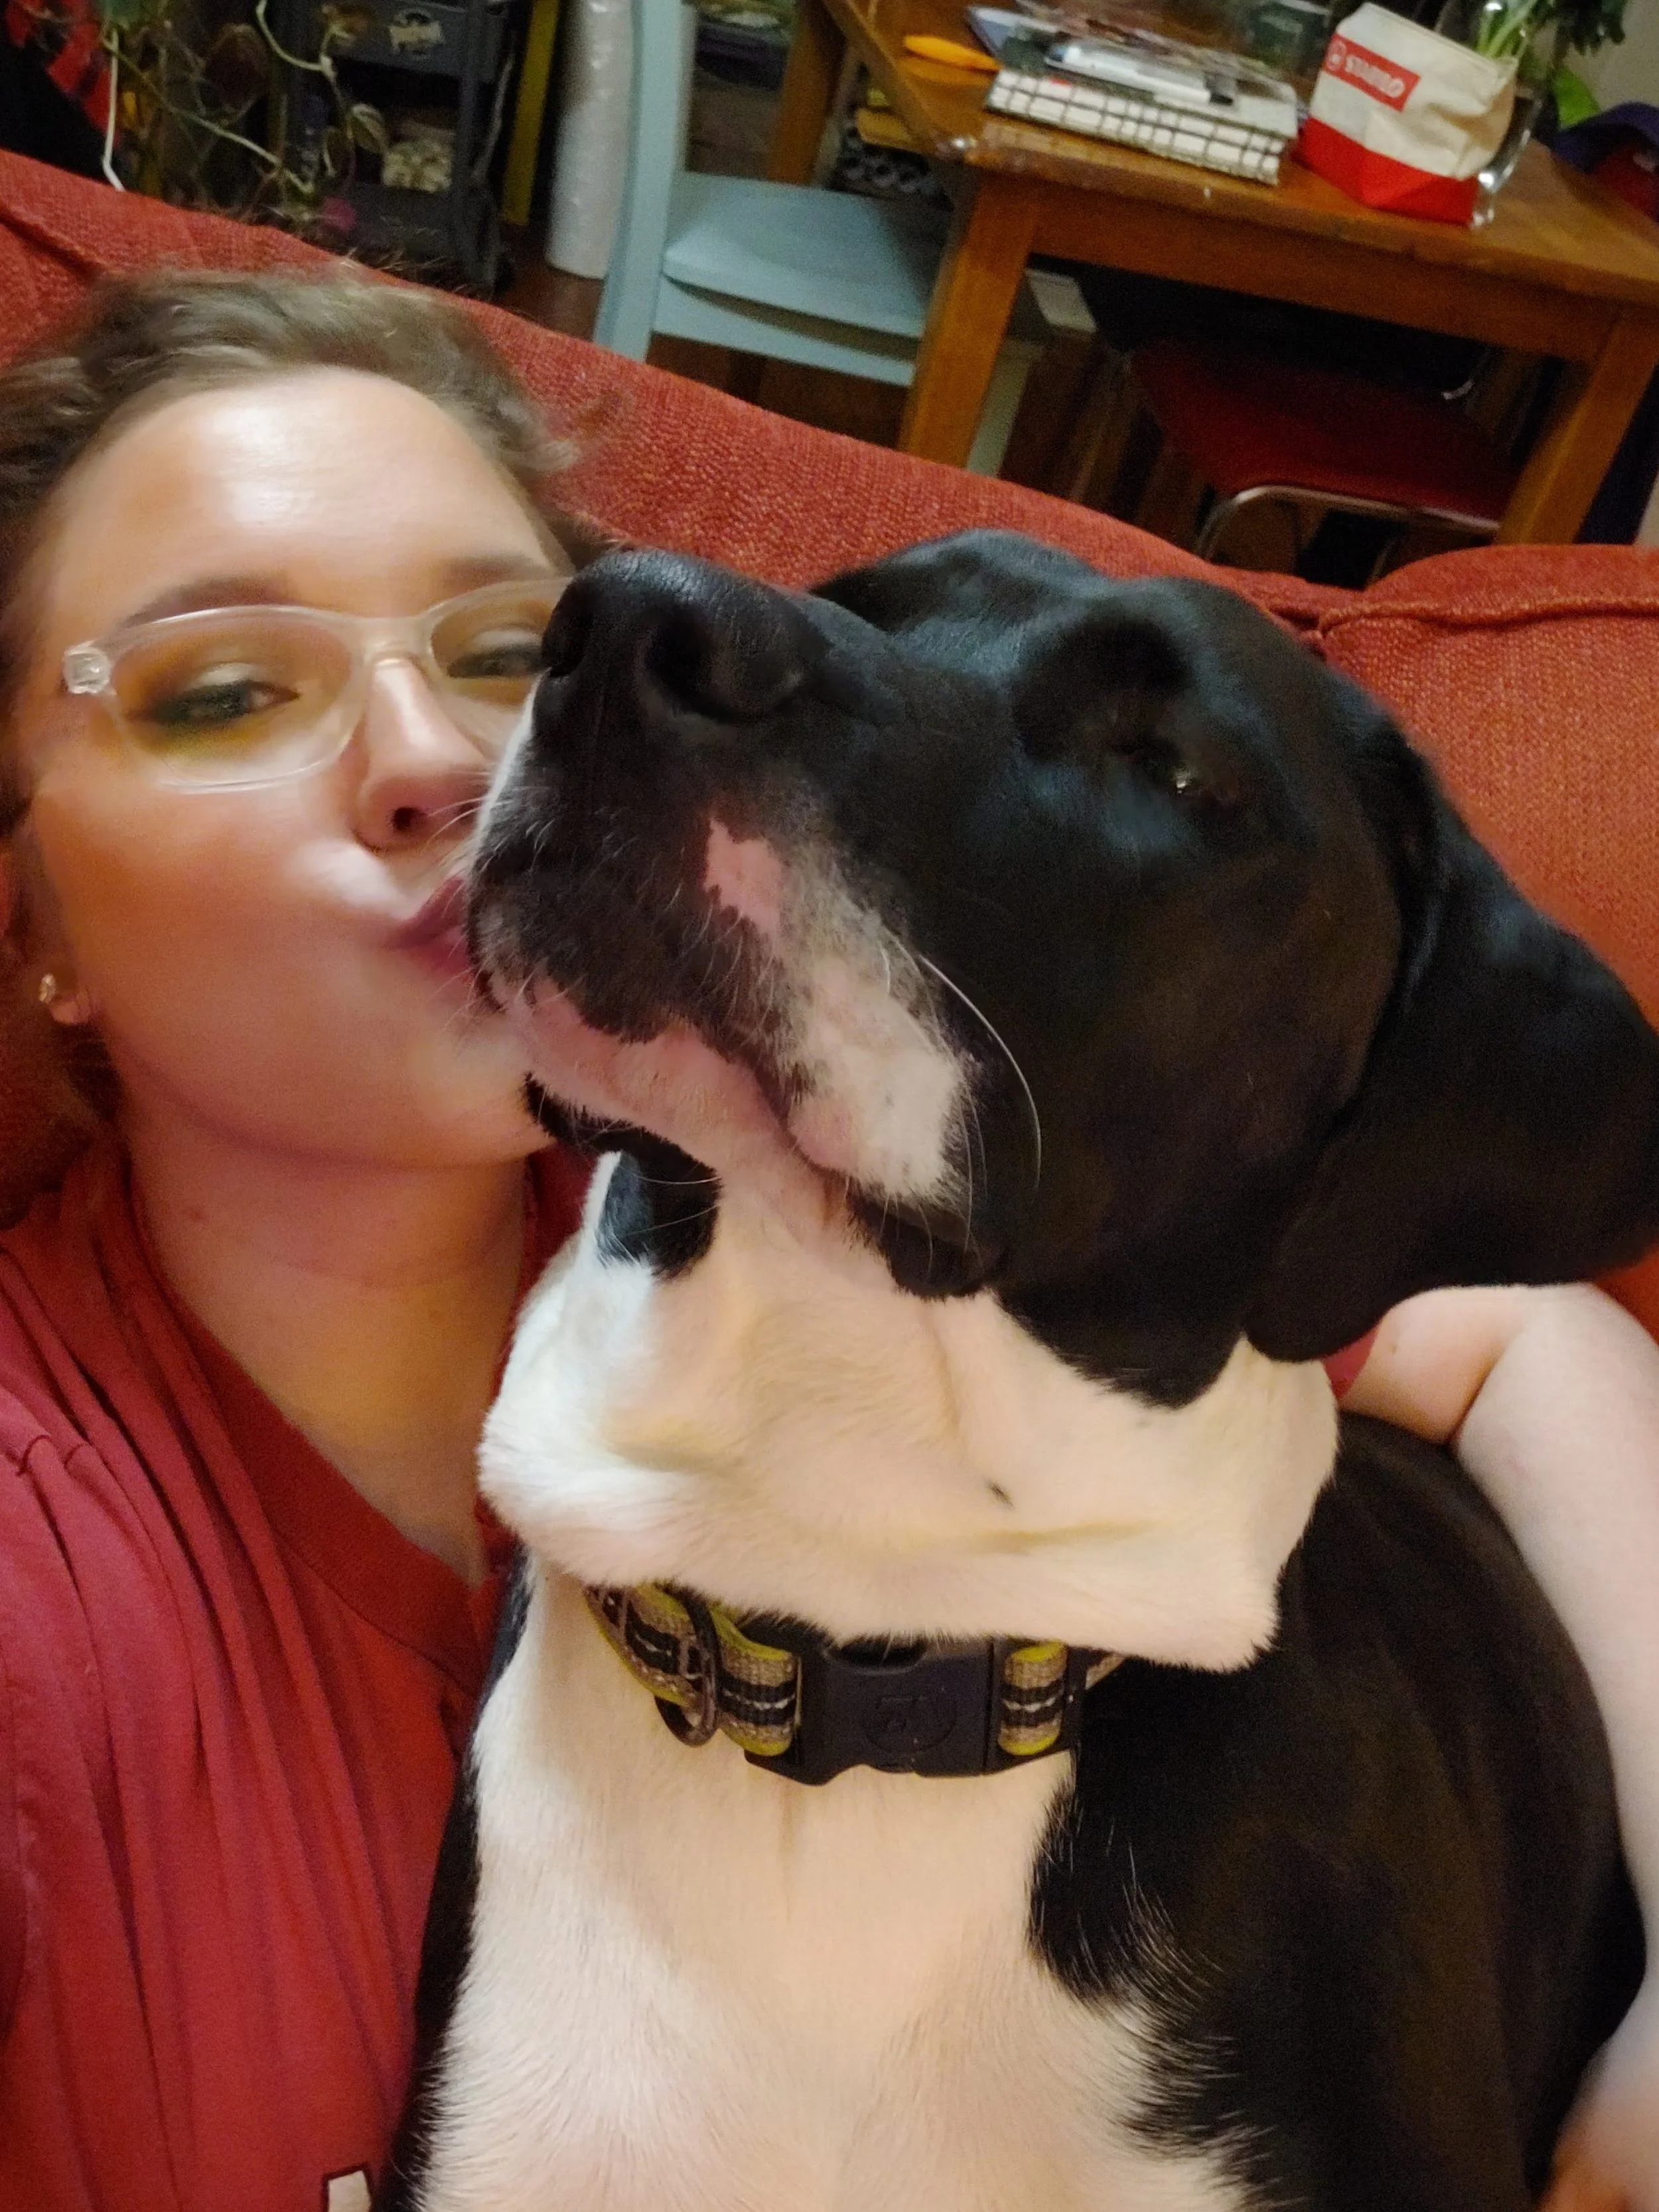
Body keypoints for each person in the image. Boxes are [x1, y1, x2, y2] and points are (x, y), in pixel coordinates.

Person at [0, 271, 1651, 2212]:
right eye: (223, 687)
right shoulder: (54, 1573)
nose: (434, 759)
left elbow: (1513, 1325)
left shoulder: (775, 1183)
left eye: (512, 644)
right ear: (28, 907)